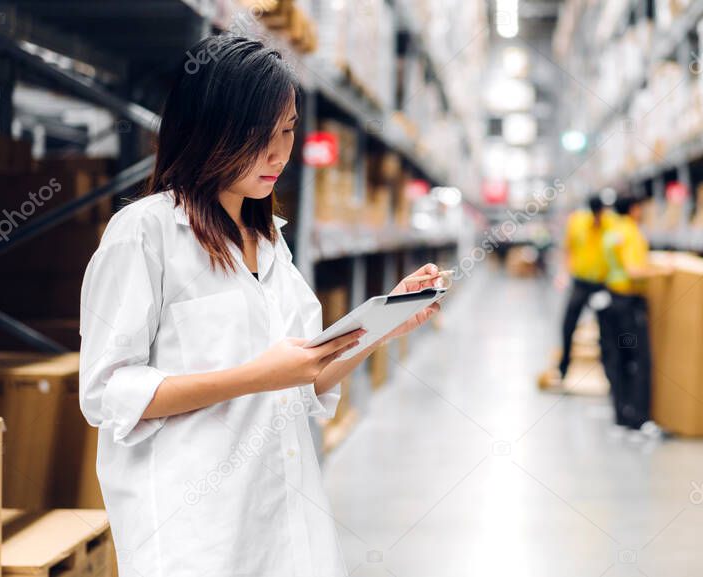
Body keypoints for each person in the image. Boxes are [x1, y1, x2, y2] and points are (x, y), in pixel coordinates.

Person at [78, 35, 441, 577]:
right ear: (208, 128)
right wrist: (256, 376)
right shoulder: (145, 233)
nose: (279, 154)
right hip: (194, 533)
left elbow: (308, 380)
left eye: (288, 130)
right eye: (258, 136)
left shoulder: (270, 241)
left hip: (284, 523)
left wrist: (382, 326)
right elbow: (105, 393)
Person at [600, 194, 657, 430]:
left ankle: (621, 414)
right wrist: (661, 271)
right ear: (633, 209)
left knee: (620, 358)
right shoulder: (632, 233)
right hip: (630, 306)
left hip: (613, 301)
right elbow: (634, 270)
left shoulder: (612, 232)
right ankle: (639, 418)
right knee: (640, 359)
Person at [553, 194, 616, 382]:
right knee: (568, 325)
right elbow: (568, 248)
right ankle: (563, 367)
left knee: (606, 330)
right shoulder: (577, 222)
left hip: (601, 285)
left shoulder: (611, 224)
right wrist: (564, 272)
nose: (599, 217)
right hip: (580, 282)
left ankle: (609, 373)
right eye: (596, 213)